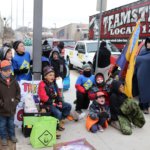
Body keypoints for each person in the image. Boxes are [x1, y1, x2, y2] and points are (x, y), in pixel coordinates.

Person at [38, 66, 71, 131]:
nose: (52, 77)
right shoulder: (42, 84)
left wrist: (59, 99)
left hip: (55, 102)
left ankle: (60, 120)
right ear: (45, 76)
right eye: (50, 75)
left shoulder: (54, 83)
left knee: (68, 106)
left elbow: (58, 93)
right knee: (58, 113)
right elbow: (43, 96)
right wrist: (52, 102)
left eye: (53, 75)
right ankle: (55, 126)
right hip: (46, 103)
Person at [0, 60, 20, 146]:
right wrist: (2, 104)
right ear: (1, 71)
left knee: (11, 124)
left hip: (12, 108)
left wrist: (16, 101)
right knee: (2, 125)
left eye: (9, 70)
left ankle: (12, 136)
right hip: (2, 110)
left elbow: (18, 92)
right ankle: (3, 137)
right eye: (5, 71)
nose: (8, 72)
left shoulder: (14, 80)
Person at [133, 37, 150, 114]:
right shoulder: (143, 51)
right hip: (140, 75)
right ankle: (142, 105)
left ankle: (146, 106)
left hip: (148, 75)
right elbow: (137, 60)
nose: (148, 44)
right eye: (147, 43)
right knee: (141, 90)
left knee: (147, 91)